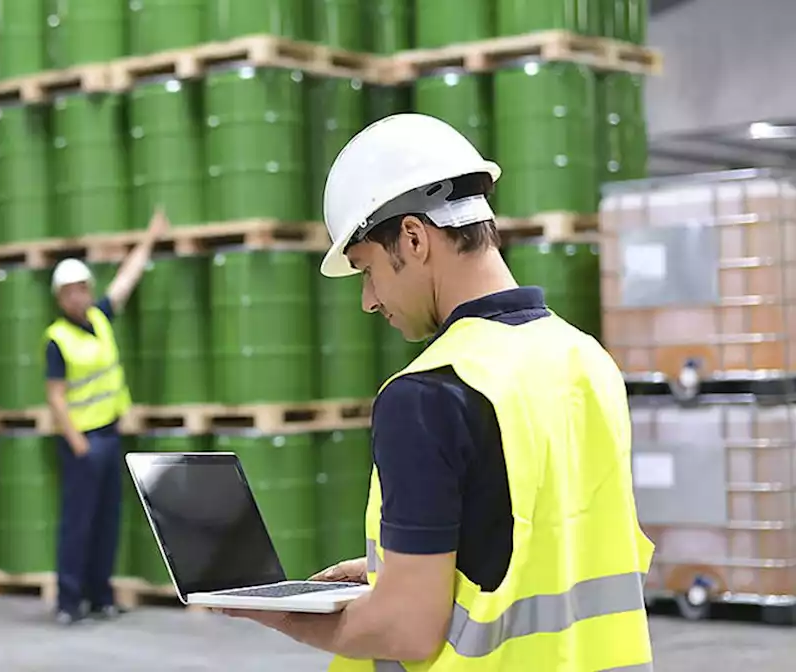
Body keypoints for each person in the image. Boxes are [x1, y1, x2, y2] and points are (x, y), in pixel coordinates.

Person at [220, 113, 656, 670]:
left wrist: (274, 611)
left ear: (413, 237)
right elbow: (552, 544)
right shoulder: (586, 358)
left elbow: (406, 632)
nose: (369, 300)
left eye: (367, 270)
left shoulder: (428, 395)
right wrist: (406, 570)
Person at [44, 208, 169, 626]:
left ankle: (100, 596)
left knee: (106, 521)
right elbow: (56, 396)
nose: (79, 296)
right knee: (78, 523)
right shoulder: (57, 339)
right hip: (82, 441)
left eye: (83, 288)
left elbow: (127, 279)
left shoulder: (100, 318)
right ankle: (68, 601)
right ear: (60, 297)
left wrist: (149, 238)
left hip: (109, 434)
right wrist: (77, 441)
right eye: (71, 292)